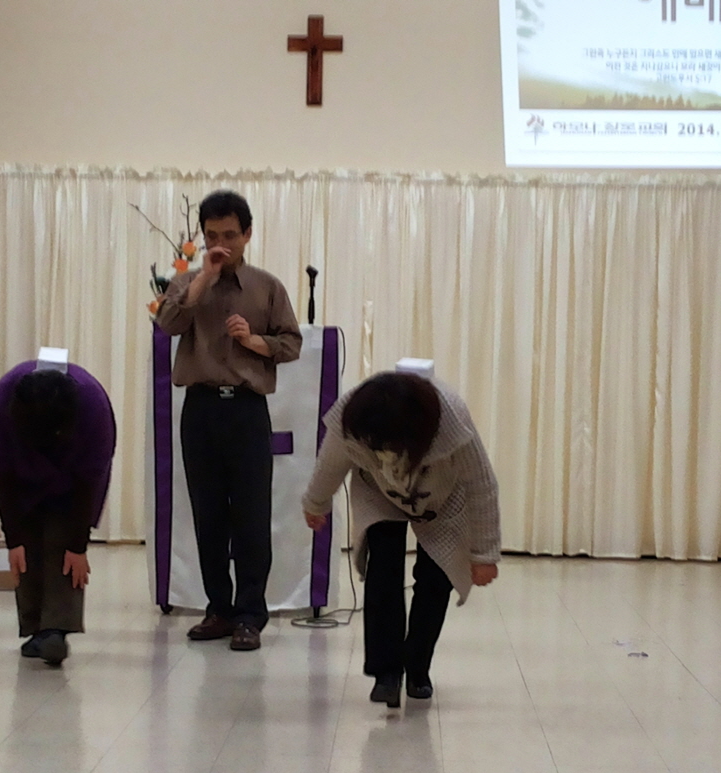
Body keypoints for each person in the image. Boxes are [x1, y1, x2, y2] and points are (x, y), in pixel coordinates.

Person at [156, 190, 302, 651]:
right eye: (212, 235)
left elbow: (292, 343)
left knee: (252, 515)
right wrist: (203, 279)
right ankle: (218, 609)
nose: (221, 244)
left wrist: (255, 342)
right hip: (199, 409)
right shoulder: (187, 284)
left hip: (245, 409)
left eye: (230, 235)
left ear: (248, 234)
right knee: (209, 514)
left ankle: (250, 614)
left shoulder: (267, 287)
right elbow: (167, 324)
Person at [302, 371, 501, 707]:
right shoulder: (351, 416)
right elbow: (331, 464)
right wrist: (315, 503)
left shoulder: (451, 417)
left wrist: (484, 554)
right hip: (378, 491)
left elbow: (481, 484)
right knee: (383, 568)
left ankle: (418, 668)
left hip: (442, 494)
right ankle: (387, 672)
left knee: (436, 579)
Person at [0, 360, 116, 666]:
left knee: (63, 543)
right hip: (20, 471)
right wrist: (14, 540)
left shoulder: (92, 407)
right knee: (26, 548)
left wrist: (78, 546)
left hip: (73, 474)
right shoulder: (1, 406)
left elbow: (89, 481)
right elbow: (3, 477)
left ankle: (55, 629)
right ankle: (37, 630)